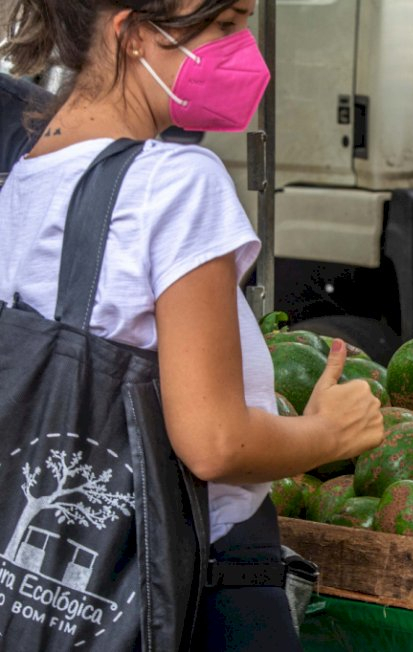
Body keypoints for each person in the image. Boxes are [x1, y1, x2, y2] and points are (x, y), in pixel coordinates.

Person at [0, 0, 384, 649]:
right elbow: (214, 443)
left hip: (64, 585)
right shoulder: (177, 184)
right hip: (196, 584)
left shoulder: (24, 180)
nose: (244, 50)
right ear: (132, 34)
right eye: (226, 25)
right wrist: (325, 433)